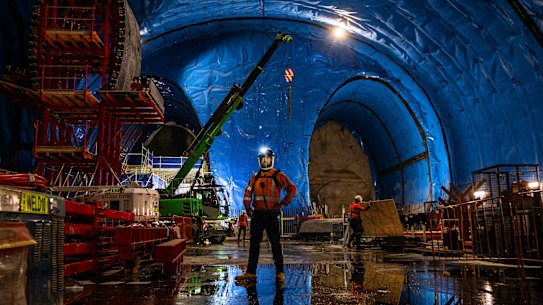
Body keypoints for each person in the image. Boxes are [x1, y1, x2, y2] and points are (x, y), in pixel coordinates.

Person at [235, 147, 297, 283]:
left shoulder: (278, 176)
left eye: (267, 158)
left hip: (271, 215)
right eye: (262, 159)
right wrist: (248, 208)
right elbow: (247, 193)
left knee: (275, 243)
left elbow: (292, 189)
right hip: (257, 215)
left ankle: (280, 272)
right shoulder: (255, 177)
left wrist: (282, 204)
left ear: (271, 159)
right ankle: (251, 272)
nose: (265, 161)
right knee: (254, 245)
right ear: (259, 160)